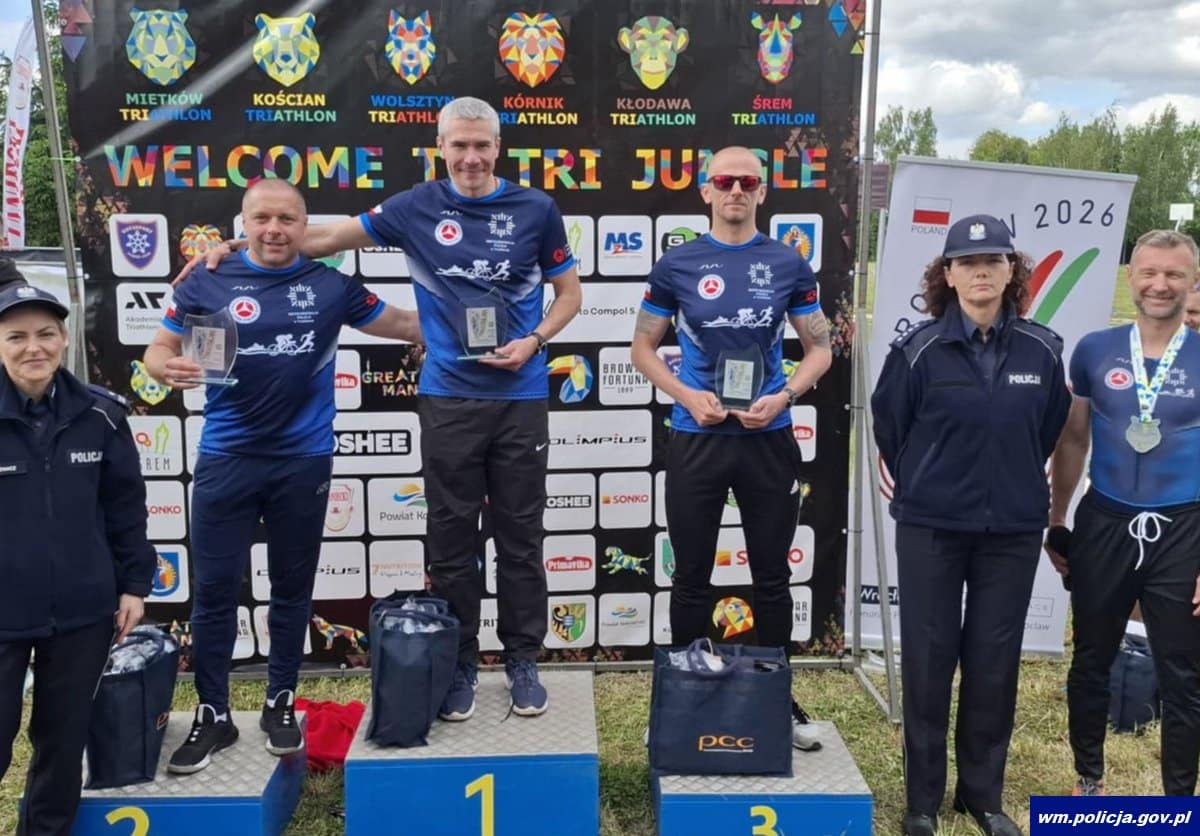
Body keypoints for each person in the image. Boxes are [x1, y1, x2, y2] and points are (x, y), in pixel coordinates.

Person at [184, 96, 582, 721]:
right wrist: (240, 247)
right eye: (459, 145)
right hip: (448, 395)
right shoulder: (414, 205)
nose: (471, 157)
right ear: (440, 147)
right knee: (451, 538)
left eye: (481, 145)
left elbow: (569, 294)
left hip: (522, 395)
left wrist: (535, 340)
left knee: (521, 536)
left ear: (498, 148)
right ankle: (460, 662)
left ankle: (522, 659)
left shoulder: (537, 208)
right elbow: (321, 237)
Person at [144, 179, 422, 773]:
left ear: (304, 224)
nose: (274, 230)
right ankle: (213, 713)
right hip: (226, 458)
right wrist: (166, 368)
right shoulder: (205, 279)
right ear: (243, 223)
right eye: (262, 218)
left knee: (292, 591)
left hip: (303, 460)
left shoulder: (330, 285)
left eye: (287, 219)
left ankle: (280, 702)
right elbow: (157, 349)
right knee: (214, 592)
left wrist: (487, 323)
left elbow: (403, 323)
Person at [871, 215, 1071, 836]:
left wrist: (1005, 481)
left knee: (993, 662)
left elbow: (1046, 429)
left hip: (1011, 530)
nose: (981, 271)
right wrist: (937, 480)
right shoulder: (918, 350)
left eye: (993, 260)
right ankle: (922, 802)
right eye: (967, 262)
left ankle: (982, 796)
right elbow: (891, 428)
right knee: (929, 662)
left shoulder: (1044, 349)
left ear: (1012, 271)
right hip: (931, 527)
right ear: (948, 275)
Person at [630, 145, 833, 751]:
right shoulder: (678, 264)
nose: (736, 190)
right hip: (697, 438)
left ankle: (775, 700)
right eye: (725, 181)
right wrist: (686, 395)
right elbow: (642, 349)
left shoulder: (788, 262)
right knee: (691, 579)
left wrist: (785, 395)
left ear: (763, 191)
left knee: (772, 579)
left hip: (766, 438)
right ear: (706, 192)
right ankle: (681, 700)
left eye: (748, 181)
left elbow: (820, 348)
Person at [1046, 229, 1200, 799]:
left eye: (1174, 274)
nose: (1161, 285)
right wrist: (1058, 519)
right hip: (1105, 522)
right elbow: (1073, 439)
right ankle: (1089, 781)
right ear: (1130, 276)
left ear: (1192, 281)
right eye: (1150, 272)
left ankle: (1179, 804)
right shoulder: (1095, 349)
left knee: (1182, 672)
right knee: (1091, 658)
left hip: (1184, 527)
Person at [0, 284, 154, 836]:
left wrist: (134, 586)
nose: (33, 348)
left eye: (46, 334)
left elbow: (125, 507)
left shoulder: (102, 414)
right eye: (16, 337)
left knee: (62, 744)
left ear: (65, 338)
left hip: (83, 612)